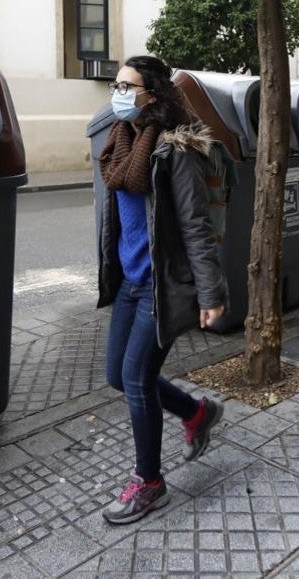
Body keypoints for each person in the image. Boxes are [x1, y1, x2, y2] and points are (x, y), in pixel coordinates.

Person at [95, 55, 228, 525]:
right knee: (118, 375)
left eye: (128, 86)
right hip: (131, 283)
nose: (119, 93)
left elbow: (195, 223)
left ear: (153, 94)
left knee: (135, 379)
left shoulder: (174, 149)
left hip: (162, 285)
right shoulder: (120, 142)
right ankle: (196, 413)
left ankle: (149, 482)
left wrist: (210, 293)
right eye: (116, 84)